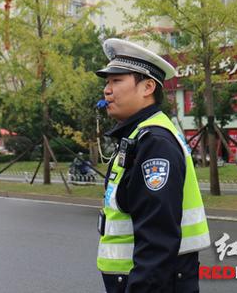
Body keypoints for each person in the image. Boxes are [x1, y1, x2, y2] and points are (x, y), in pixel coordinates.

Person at [95, 38, 210, 293]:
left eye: (116, 81)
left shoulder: (155, 142)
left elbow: (157, 240)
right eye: (106, 82)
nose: (107, 90)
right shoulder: (139, 136)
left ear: (147, 87)